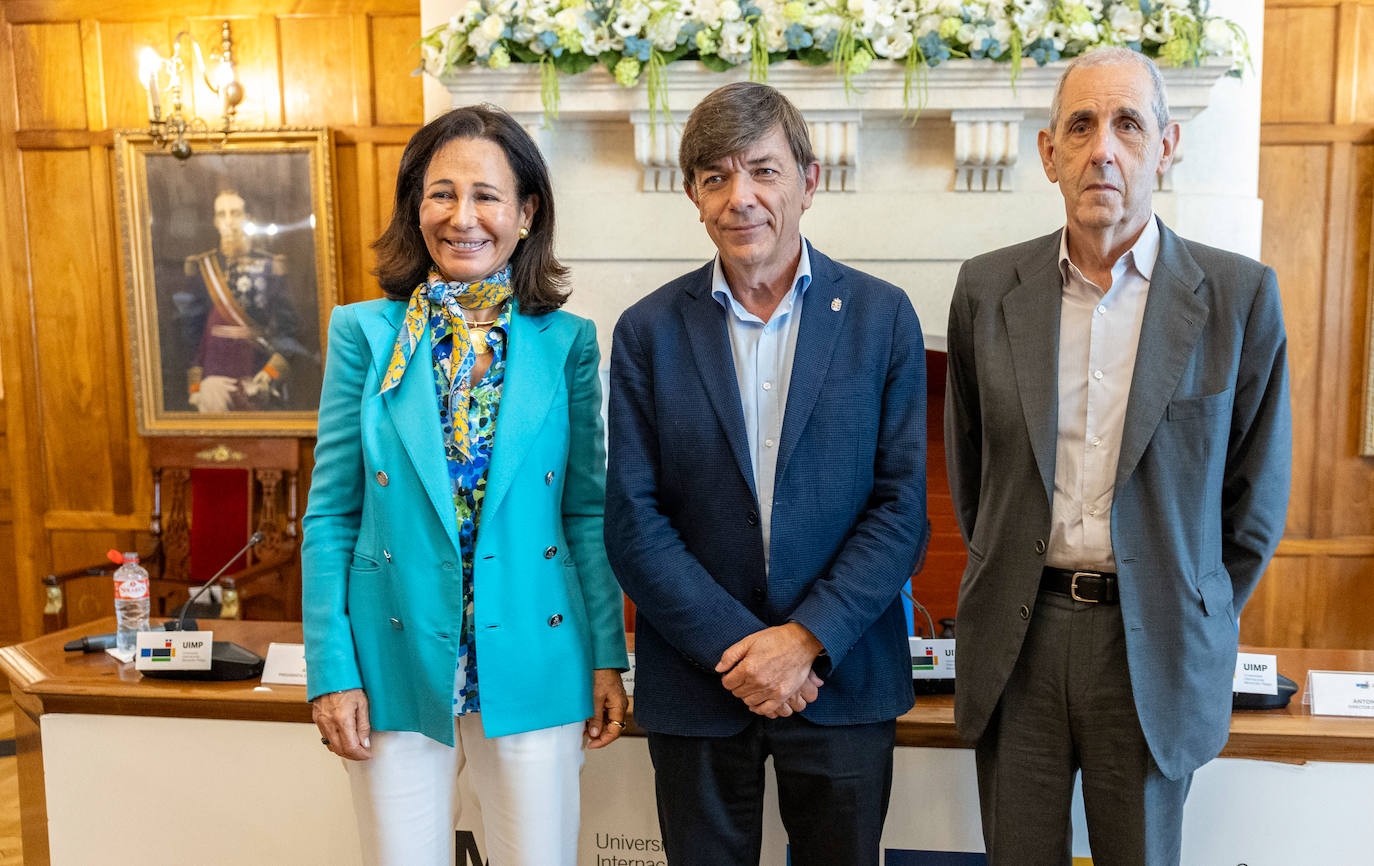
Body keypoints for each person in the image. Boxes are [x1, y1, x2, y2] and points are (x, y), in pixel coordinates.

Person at [944, 47, 1292, 864]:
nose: (1105, 147)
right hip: (1019, 642)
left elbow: (1255, 503)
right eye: (1082, 125)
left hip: (1153, 652)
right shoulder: (986, 290)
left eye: (1129, 124)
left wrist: (1185, 601)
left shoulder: (1237, 298)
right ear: (1049, 153)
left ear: (1166, 145)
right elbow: (974, 476)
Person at [604, 82, 929, 866]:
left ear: (810, 182)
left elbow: (901, 508)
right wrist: (747, 651)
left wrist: (806, 641)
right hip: (700, 681)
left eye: (763, 170)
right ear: (692, 194)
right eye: (715, 177)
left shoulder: (885, 317)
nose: (740, 197)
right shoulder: (648, 331)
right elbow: (634, 521)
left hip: (843, 680)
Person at [302, 105, 629, 866]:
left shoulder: (569, 343)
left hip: (536, 653)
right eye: (441, 193)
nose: (463, 217)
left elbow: (585, 510)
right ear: (416, 207)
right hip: (394, 657)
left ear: (526, 211)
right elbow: (331, 514)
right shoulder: (364, 334)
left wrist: (607, 655)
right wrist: (331, 670)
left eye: (486, 194)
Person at [183, 189, 310, 412]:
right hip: (213, 381)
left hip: (258, 375)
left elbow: (290, 328)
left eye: (236, 213)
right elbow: (190, 333)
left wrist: (270, 374)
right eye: (222, 214)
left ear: (248, 218)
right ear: (215, 221)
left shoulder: (271, 267)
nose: (229, 221)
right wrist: (195, 385)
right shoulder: (203, 268)